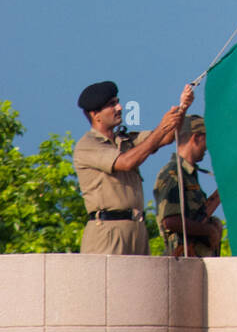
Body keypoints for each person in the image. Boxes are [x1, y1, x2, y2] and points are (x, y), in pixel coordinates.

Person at [73, 80, 193, 255]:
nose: (120, 107)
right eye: (111, 105)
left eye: (117, 102)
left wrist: (183, 107)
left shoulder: (125, 140)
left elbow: (166, 137)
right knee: (109, 281)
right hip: (108, 231)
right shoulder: (88, 145)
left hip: (137, 229)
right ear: (95, 115)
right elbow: (126, 162)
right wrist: (162, 127)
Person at [154, 114, 223, 257]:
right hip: (183, 259)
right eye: (206, 140)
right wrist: (208, 230)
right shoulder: (173, 173)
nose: (207, 147)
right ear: (196, 138)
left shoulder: (188, 174)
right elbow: (171, 221)